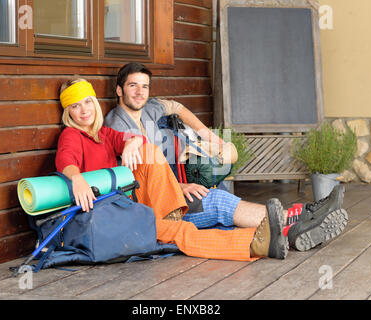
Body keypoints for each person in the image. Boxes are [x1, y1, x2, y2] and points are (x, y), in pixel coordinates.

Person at [104, 62, 349, 252]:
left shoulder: (149, 108)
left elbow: (177, 108)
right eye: (132, 86)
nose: (139, 92)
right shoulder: (118, 126)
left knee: (219, 193)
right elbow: (134, 177)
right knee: (219, 203)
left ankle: (299, 219)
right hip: (159, 204)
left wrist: (212, 139)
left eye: (144, 86)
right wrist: (179, 185)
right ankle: (300, 219)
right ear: (119, 89)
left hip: (175, 188)